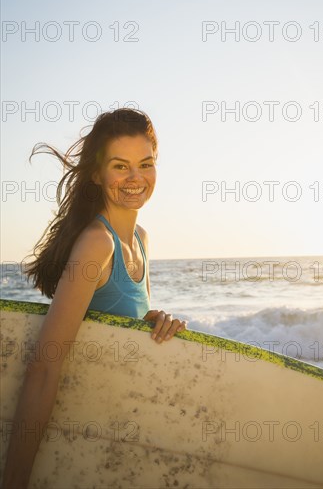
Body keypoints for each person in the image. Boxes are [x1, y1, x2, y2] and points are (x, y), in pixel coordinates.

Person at [2, 108, 188, 488]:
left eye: (146, 164)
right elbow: (44, 369)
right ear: (96, 173)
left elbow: (116, 319)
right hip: (79, 431)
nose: (136, 178)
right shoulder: (97, 244)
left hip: (117, 430)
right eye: (120, 166)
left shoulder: (140, 240)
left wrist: (153, 320)